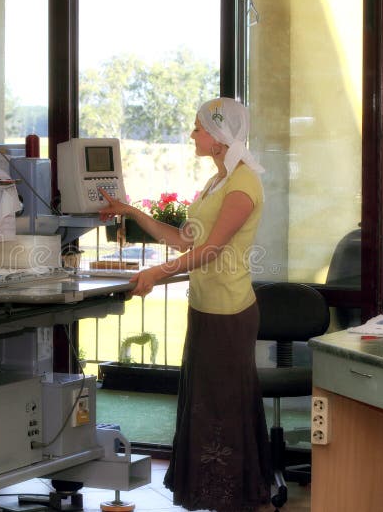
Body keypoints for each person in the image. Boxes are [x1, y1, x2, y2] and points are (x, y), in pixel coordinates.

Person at [98, 97, 273, 511]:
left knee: (222, 407)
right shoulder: (217, 181)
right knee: (206, 403)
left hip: (229, 312)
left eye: (198, 128)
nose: (192, 135)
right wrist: (131, 212)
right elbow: (185, 239)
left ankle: (234, 497)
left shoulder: (243, 183)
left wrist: (159, 274)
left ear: (218, 137)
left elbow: (211, 250)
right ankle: (223, 496)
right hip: (206, 308)